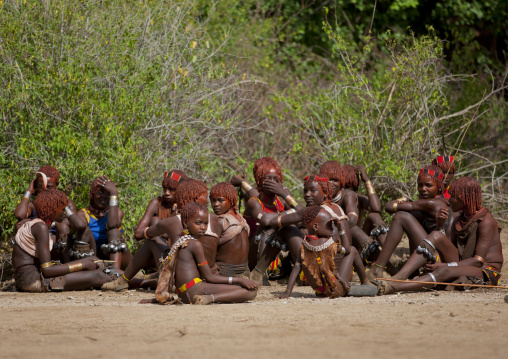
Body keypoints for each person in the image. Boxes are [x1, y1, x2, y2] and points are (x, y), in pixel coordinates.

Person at [378, 177, 503, 294]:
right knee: (436, 235)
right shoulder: (460, 217)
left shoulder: (485, 221)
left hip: (485, 270)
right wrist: (440, 226)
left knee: (444, 271)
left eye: (453, 197)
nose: (449, 200)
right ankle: (399, 277)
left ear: (463, 199)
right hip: (462, 261)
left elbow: (477, 261)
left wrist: (445, 265)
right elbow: (447, 246)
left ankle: (395, 286)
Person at [102, 179, 219, 290]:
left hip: (183, 278)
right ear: (194, 199)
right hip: (210, 274)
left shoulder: (174, 221)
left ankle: (123, 281)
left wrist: (159, 231)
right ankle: (149, 278)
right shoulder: (213, 218)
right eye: (205, 196)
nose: (207, 201)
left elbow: (141, 234)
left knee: (151, 242)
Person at [151, 202, 258, 305]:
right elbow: (210, 277)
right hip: (194, 290)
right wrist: (239, 280)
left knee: (233, 287)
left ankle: (208, 297)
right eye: (198, 223)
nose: (203, 227)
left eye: (206, 223)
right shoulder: (195, 244)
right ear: (185, 223)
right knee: (250, 292)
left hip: (184, 293)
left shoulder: (181, 240)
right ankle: (209, 298)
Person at [270, 174, 368, 284]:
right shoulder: (336, 207)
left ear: (325, 193)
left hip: (321, 276)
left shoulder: (316, 212)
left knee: (288, 229)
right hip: (344, 274)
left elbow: (273, 222)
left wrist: (288, 210)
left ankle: (258, 273)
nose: (307, 195)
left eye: (313, 191)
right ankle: (365, 281)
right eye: (305, 191)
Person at [12, 189, 112, 292]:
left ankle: (121, 278)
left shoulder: (39, 224)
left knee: (95, 263)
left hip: (30, 277)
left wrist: (84, 263)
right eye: (63, 209)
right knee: (97, 276)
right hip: (33, 281)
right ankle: (121, 281)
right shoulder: (40, 227)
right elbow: (47, 270)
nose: (65, 213)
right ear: (52, 210)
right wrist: (83, 264)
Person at [367, 165, 452, 281]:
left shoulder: (434, 203)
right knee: (410, 217)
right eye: (420, 185)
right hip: (433, 255)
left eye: (429, 185)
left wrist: (404, 201)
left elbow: (389, 207)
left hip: (438, 260)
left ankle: (378, 268)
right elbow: (390, 207)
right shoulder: (427, 204)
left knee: (402, 216)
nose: (423, 189)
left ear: (440, 187)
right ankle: (412, 271)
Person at [231, 157, 305, 285]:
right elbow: (265, 220)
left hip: (276, 248)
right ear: (260, 181)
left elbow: (304, 214)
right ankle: (260, 274)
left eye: (276, 179)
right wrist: (290, 214)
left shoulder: (282, 198)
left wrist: (284, 194)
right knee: (269, 229)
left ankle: (302, 271)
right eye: (268, 179)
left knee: (293, 228)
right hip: (254, 249)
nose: (272, 183)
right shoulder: (254, 201)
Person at [277, 206, 352, 298]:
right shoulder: (327, 243)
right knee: (353, 251)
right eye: (329, 225)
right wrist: (340, 229)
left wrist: (287, 292)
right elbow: (347, 250)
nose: (332, 228)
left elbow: (296, 269)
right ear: (316, 226)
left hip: (320, 292)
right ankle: (365, 281)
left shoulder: (304, 247)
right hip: (336, 289)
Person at [13, 165, 82, 262]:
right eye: (41, 186)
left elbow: (77, 225)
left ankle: (65, 264)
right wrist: (29, 191)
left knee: (63, 226)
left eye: (49, 187)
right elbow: (19, 215)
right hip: (37, 245)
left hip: (59, 245)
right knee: (19, 224)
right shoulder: (34, 204)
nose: (45, 190)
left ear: (57, 185)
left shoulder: (67, 203)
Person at [76, 176, 131, 270]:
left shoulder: (117, 212)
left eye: (108, 193)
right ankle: (91, 272)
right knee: (84, 231)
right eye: (100, 193)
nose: (104, 197)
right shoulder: (83, 214)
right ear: (92, 194)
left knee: (114, 232)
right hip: (96, 259)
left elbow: (112, 225)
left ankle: (115, 273)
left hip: (120, 261)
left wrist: (114, 193)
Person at [210, 182, 250, 278]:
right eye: (213, 200)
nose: (216, 204)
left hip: (224, 271)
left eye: (221, 200)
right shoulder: (240, 218)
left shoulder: (221, 220)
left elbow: (210, 249)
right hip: (245, 272)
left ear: (231, 201)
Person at [133, 170, 188, 240]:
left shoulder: (187, 207)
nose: (166, 193)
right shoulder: (156, 203)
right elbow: (138, 233)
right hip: (158, 247)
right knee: (155, 221)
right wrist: (157, 231)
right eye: (165, 188)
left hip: (179, 246)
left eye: (171, 189)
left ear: (181, 189)